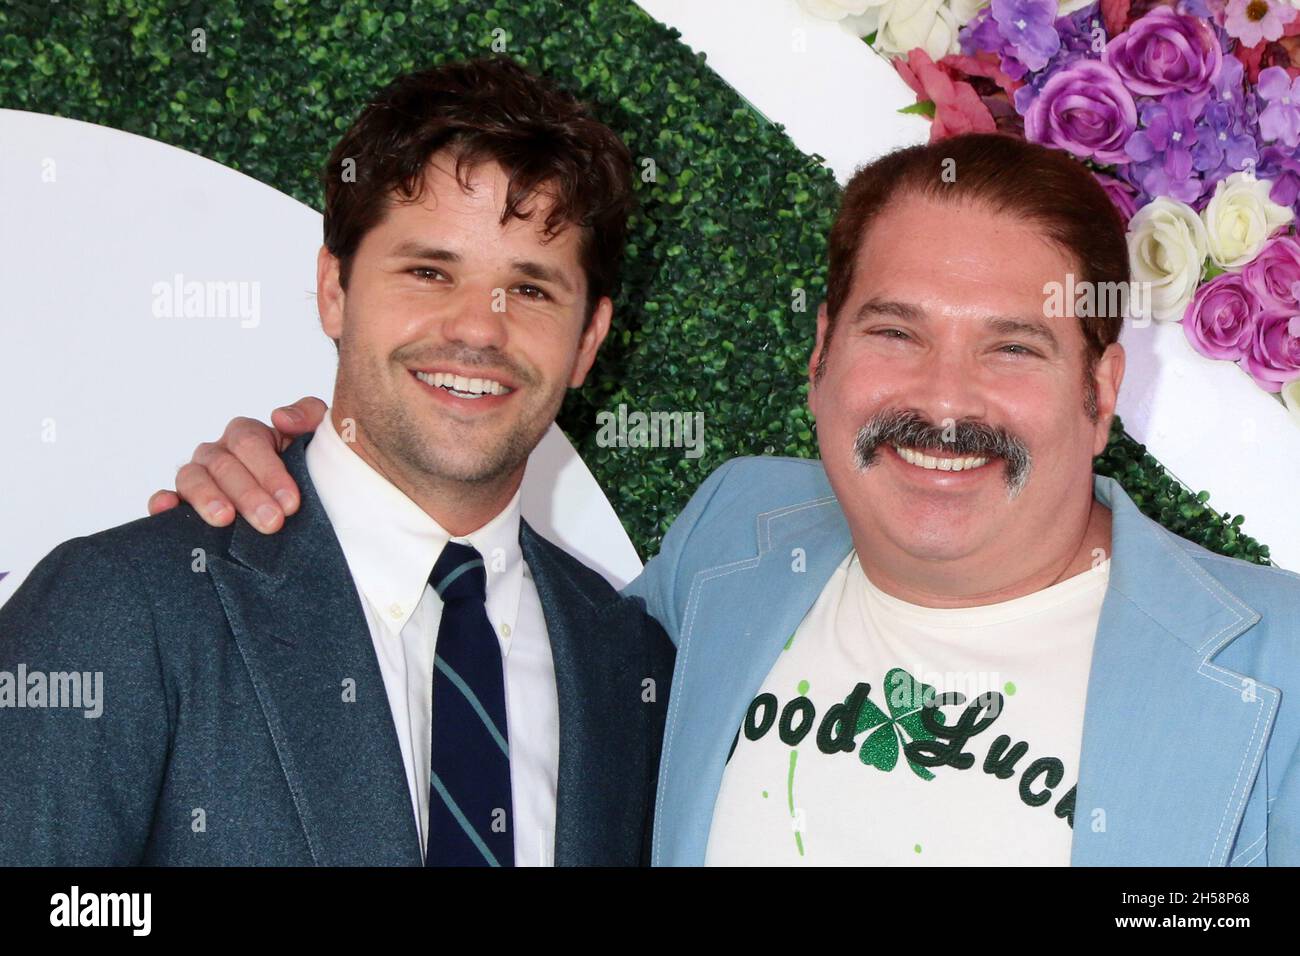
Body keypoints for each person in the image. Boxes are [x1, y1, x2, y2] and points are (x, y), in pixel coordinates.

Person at [150, 133, 1300, 866]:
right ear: (820, 354)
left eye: (1011, 350)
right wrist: (332, 484)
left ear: (1101, 387)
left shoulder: (1274, 667)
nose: (943, 403)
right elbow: (516, 664)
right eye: (893, 333)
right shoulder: (736, 538)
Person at [0, 56, 673, 866]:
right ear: (333, 289)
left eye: (529, 290)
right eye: (430, 271)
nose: (480, 329)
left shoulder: (630, 666)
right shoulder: (122, 609)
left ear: (587, 342)